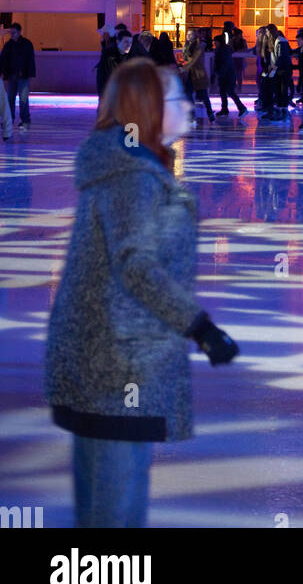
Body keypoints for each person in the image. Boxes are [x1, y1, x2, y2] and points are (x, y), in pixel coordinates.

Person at [44, 60, 239, 528]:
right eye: (176, 98)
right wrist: (200, 327)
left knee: (104, 510)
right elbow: (136, 263)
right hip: (116, 364)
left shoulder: (131, 164)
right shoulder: (132, 174)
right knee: (115, 516)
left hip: (108, 356)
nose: (188, 105)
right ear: (147, 106)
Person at [1, 22, 36, 129]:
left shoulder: (26, 44)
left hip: (23, 76)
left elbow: (30, 60)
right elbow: (3, 60)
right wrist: (3, 73)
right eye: (11, 33)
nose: (12, 35)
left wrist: (29, 74)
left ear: (19, 32)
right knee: (10, 99)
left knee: (23, 99)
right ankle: (10, 120)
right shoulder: (8, 45)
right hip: (12, 76)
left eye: (14, 33)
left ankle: (25, 120)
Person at [180, 28, 215, 124]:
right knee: (188, 93)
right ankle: (192, 116)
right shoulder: (187, 46)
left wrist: (183, 68)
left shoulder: (199, 46)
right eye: (187, 34)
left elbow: (194, 60)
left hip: (198, 74)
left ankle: (210, 113)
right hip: (190, 74)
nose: (188, 36)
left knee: (204, 95)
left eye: (190, 34)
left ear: (195, 36)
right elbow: (185, 58)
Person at [213, 33, 248, 117]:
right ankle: (225, 109)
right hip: (226, 74)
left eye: (215, 42)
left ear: (219, 42)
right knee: (223, 92)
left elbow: (225, 63)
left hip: (227, 75)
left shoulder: (223, 51)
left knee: (230, 92)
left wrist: (220, 73)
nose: (214, 43)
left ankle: (242, 108)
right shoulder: (223, 50)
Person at [95, 29, 121, 97]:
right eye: (104, 34)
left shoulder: (112, 45)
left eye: (106, 34)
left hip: (108, 71)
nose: (103, 36)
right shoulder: (106, 44)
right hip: (104, 70)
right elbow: (104, 58)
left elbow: (109, 58)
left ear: (110, 35)